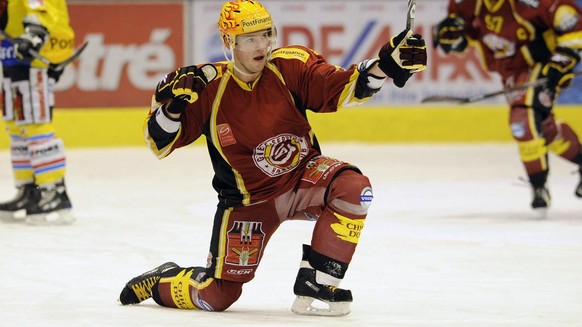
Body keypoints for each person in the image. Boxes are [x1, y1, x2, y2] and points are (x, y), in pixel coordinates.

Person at [118, 0, 427, 317]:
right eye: (250, 38)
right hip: (248, 202)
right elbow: (159, 143)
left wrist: (383, 67)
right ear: (229, 42)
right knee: (217, 296)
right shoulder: (208, 89)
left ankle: (318, 282)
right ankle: (161, 279)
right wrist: (172, 109)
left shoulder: (290, 66)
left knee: (353, 189)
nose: (262, 45)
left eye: (266, 35)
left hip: (301, 180)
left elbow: (342, 86)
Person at [433, 0, 582, 214]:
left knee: (522, 120)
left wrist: (561, 61)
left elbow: (570, 22)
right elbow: (463, 30)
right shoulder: (464, 3)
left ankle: (538, 185)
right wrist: (453, 35)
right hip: (510, 73)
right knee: (544, 130)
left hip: (540, 65)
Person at [0, 0, 75, 225]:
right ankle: (30, 190)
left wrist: (35, 32)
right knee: (16, 123)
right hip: (12, 50)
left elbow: (43, 8)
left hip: (35, 53)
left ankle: (55, 192)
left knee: (35, 122)